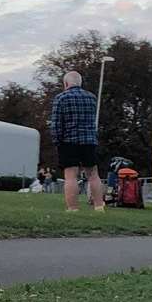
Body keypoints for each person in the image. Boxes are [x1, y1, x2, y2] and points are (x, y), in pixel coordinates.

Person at [48, 70, 105, 212]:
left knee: (70, 176)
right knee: (93, 175)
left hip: (69, 141)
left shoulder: (61, 98)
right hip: (89, 141)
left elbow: (56, 124)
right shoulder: (91, 98)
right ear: (80, 82)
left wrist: (57, 141)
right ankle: (99, 206)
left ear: (66, 83)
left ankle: (73, 208)